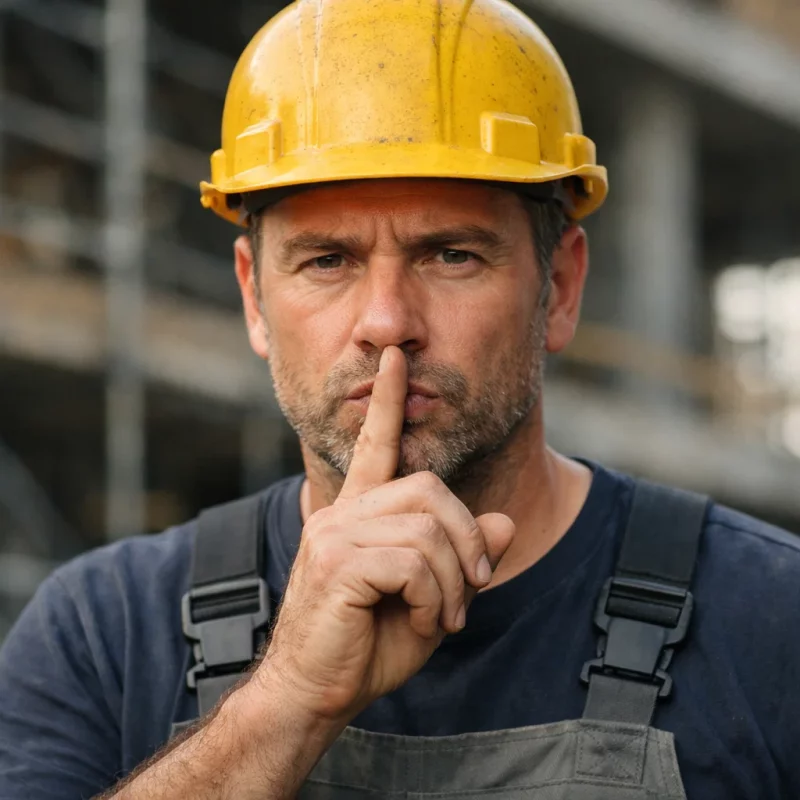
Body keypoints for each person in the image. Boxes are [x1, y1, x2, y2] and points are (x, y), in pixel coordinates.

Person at [2, 0, 800, 797]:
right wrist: (285, 702)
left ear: (558, 288)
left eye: (450, 255)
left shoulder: (771, 619)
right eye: (326, 260)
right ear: (253, 299)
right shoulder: (101, 631)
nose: (387, 324)